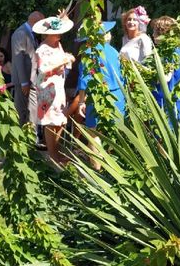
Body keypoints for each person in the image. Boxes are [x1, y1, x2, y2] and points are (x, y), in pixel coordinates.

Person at [75, 21, 125, 170]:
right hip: (117, 96)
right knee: (115, 132)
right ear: (105, 35)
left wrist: (81, 102)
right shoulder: (115, 52)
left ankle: (97, 169)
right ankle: (115, 168)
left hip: (98, 96)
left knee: (94, 133)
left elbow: (84, 80)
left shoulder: (89, 53)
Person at [31, 15, 76, 165]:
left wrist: (65, 18)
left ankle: (56, 152)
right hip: (48, 89)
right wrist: (62, 61)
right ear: (48, 33)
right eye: (57, 31)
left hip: (58, 87)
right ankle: (53, 155)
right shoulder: (42, 49)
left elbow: (62, 59)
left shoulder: (57, 44)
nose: (60, 33)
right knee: (51, 122)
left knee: (60, 120)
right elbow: (43, 69)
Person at [151, 16, 180, 123]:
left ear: (164, 34)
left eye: (156, 32)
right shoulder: (177, 49)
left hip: (170, 103)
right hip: (178, 99)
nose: (153, 35)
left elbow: (165, 78)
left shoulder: (170, 52)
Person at [10, 11, 45, 126]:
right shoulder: (21, 33)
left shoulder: (30, 33)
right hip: (23, 81)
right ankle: (19, 138)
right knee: (21, 110)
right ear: (36, 22)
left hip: (31, 79)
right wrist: (24, 82)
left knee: (31, 110)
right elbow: (19, 59)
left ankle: (30, 138)